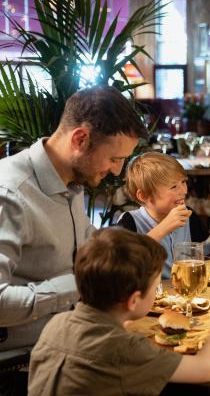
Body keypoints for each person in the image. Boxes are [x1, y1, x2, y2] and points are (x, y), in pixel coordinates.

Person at [0, 86, 147, 357]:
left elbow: (75, 242)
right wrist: (76, 285)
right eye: (115, 159)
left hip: (71, 341)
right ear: (80, 139)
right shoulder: (9, 193)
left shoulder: (71, 182)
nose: (117, 170)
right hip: (23, 365)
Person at [28, 227, 210, 395]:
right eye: (155, 288)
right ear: (133, 300)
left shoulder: (56, 324)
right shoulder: (123, 348)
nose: (156, 293)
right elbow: (205, 369)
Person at [118, 152, 210, 278]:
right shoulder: (130, 221)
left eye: (183, 182)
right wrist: (164, 227)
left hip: (187, 292)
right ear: (144, 196)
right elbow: (122, 263)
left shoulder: (188, 216)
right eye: (173, 187)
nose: (183, 190)